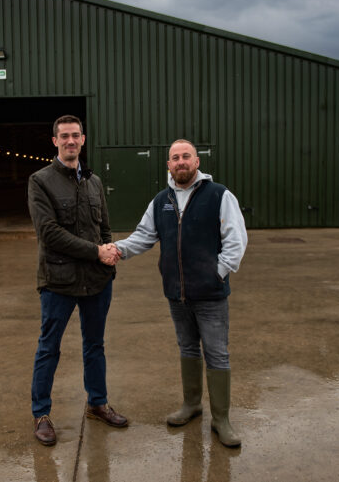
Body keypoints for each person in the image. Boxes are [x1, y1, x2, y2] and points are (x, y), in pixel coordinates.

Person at [113, 139, 247, 447]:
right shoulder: (162, 200)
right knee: (187, 349)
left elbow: (236, 240)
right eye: (175, 158)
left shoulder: (219, 195)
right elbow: (144, 236)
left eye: (186, 156)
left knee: (216, 353)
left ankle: (222, 419)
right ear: (169, 166)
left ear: (197, 162)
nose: (181, 161)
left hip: (211, 294)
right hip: (177, 293)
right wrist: (116, 249)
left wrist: (217, 273)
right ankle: (192, 404)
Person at [27, 115, 127, 447]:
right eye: (64, 136)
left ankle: (97, 403)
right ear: (55, 141)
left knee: (95, 345)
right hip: (58, 281)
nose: (70, 141)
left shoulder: (94, 182)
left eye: (76, 136)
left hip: (97, 281)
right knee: (48, 348)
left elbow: (104, 228)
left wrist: (108, 258)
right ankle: (41, 414)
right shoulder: (40, 181)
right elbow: (49, 233)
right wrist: (96, 252)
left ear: (83, 140)